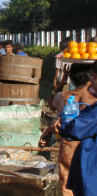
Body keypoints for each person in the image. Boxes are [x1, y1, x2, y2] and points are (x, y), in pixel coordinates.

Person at [39, 64, 97, 196]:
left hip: (71, 147)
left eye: (94, 76)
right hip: (82, 150)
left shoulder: (65, 96)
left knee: (70, 186)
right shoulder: (92, 100)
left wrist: (54, 128)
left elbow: (52, 106)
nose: (92, 81)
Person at [56, 61, 97, 196]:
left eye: (94, 76)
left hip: (90, 165)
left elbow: (76, 128)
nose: (92, 80)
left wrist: (62, 125)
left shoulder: (68, 95)